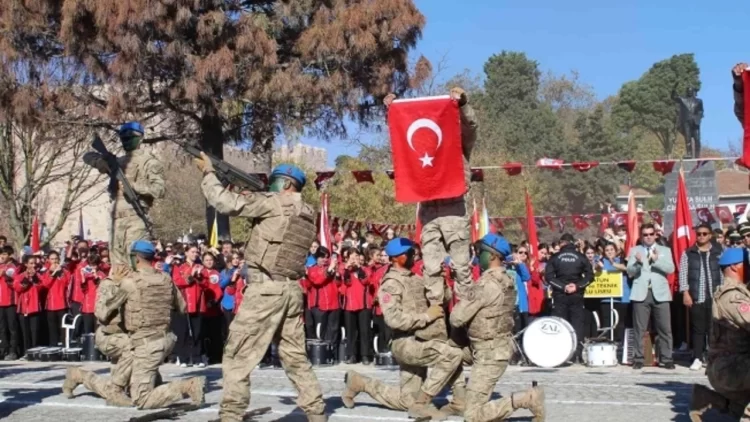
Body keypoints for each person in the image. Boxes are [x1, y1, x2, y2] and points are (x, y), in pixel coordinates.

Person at [195, 155, 327, 422]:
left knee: (237, 354)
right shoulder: (307, 213)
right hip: (290, 291)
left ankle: (230, 415)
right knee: (295, 357)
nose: (272, 186)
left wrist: (209, 173)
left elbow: (224, 202)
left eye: (277, 181)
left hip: (266, 290)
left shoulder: (272, 203)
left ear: (288, 184)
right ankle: (316, 411)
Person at [62, 241, 203, 409]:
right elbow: (101, 314)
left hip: (141, 337)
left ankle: (84, 377)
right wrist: (115, 284)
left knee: (140, 366)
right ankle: (96, 382)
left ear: (135, 259)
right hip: (112, 336)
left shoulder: (141, 281)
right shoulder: (153, 279)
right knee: (132, 352)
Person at [341, 237, 464, 421]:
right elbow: (393, 319)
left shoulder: (416, 278)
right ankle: (429, 403)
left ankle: (359, 383)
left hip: (421, 338)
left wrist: (442, 281)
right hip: (405, 342)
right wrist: (426, 317)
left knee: (407, 400)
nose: (414, 256)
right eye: (410, 253)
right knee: (452, 354)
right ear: (398, 257)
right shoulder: (391, 283)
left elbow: (441, 301)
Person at [384, 88, 478, 308]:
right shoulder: (419, 151)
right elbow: (401, 135)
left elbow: (471, 127)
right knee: (431, 268)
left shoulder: (457, 141)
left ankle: (464, 320)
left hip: (453, 206)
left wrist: (462, 105)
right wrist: (393, 110)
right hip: (428, 206)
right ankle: (436, 316)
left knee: (462, 268)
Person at [450, 233, 544, 422]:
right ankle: (461, 398)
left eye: (480, 252)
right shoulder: (506, 279)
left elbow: (456, 318)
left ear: (492, 256)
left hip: (488, 352)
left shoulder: (486, 284)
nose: (477, 257)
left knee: (472, 416)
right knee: (447, 353)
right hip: (496, 346)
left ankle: (527, 399)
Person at [83, 121, 165, 271]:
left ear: (140, 138)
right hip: (116, 220)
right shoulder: (118, 162)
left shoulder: (149, 162)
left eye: (130, 136)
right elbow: (87, 157)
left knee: (137, 266)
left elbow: (159, 190)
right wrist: (104, 160)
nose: (126, 140)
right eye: (123, 137)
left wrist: (133, 186)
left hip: (136, 218)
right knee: (118, 269)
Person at [690, 248, 750, 420]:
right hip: (729, 367)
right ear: (734, 267)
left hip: (732, 364)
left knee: (738, 407)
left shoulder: (741, 292)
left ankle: (711, 400)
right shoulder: (733, 297)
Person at [627, 223, 676, 370]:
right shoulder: (635, 250)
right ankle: (639, 358)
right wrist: (638, 263)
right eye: (645, 235)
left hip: (660, 293)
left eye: (650, 234)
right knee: (639, 329)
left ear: (655, 235)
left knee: (665, 328)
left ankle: (667, 358)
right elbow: (630, 271)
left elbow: (671, 269)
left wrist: (656, 260)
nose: (648, 237)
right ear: (641, 236)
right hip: (641, 293)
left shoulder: (664, 250)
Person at [678, 223, 722, 371]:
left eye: (704, 233)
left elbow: (722, 273)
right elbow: (683, 273)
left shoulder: (718, 252)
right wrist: (685, 292)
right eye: (699, 234)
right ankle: (697, 357)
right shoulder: (688, 252)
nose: (701, 236)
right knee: (698, 329)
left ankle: (712, 358)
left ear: (710, 235)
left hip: (715, 296)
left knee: (713, 328)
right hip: (697, 296)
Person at [545, 233, 594, 363]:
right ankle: (577, 353)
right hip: (576, 295)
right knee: (577, 324)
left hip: (560, 296)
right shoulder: (581, 257)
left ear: (562, 243)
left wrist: (563, 287)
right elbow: (590, 277)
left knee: (560, 324)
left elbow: (549, 277)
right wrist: (577, 286)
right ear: (572, 243)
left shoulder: (555, 257)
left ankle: (562, 353)